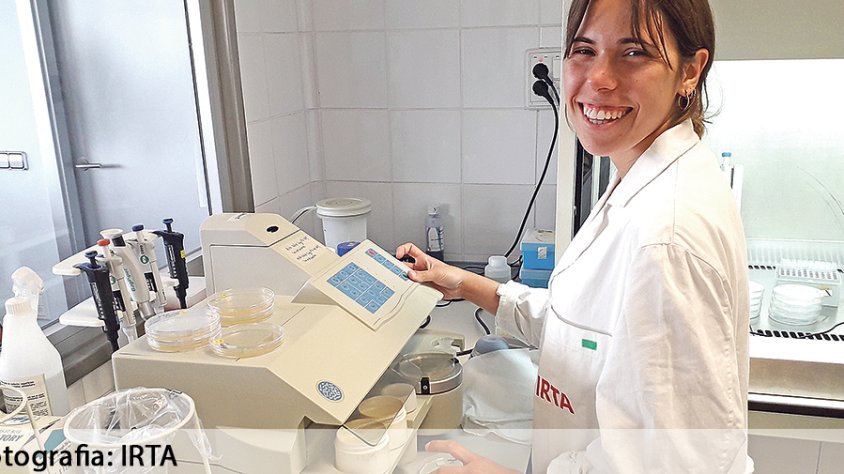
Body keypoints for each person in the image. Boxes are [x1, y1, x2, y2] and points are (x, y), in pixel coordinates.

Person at [396, 0, 751, 472]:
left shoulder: (664, 235)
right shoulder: (643, 179)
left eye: (634, 52)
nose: (599, 78)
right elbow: (585, 334)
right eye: (584, 50)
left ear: (690, 71)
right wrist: (465, 284)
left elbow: (673, 463)